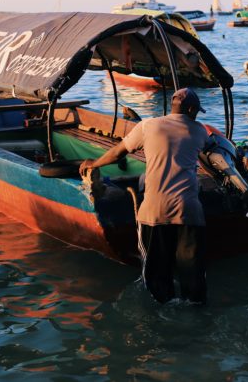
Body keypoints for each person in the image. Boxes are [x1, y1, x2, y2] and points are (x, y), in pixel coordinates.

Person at [79, 88, 210, 304]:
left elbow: (117, 152)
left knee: (157, 275)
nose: (197, 115)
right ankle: (195, 312)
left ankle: (162, 314)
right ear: (190, 110)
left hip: (155, 212)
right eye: (196, 111)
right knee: (193, 275)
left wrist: (94, 163)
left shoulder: (148, 126)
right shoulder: (199, 131)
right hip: (189, 211)